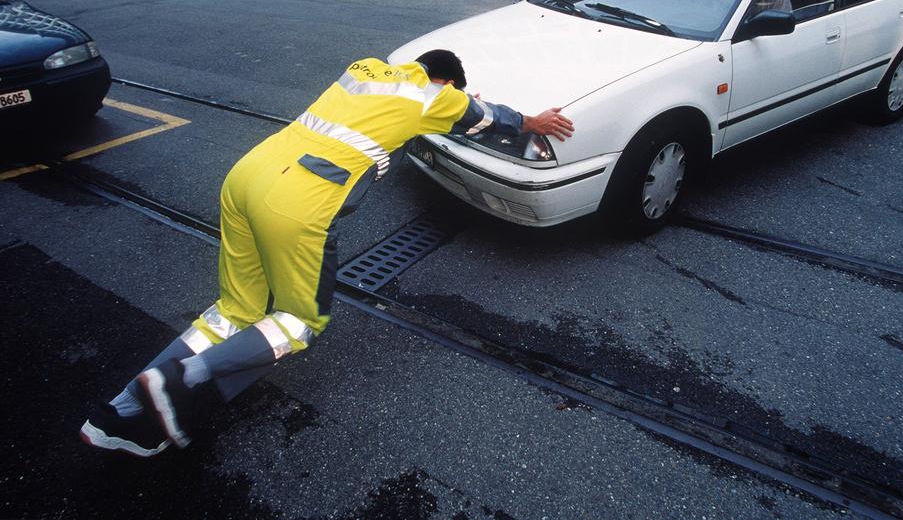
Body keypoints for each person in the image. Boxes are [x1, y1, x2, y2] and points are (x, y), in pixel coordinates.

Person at [79, 50, 574, 457]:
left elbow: (398, 112)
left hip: (247, 176)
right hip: (297, 202)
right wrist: (529, 119)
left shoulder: (364, 70)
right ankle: (181, 379)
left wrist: (446, 100)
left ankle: (115, 414)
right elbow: (488, 118)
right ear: (448, 81)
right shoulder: (437, 97)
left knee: (234, 310)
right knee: (299, 322)